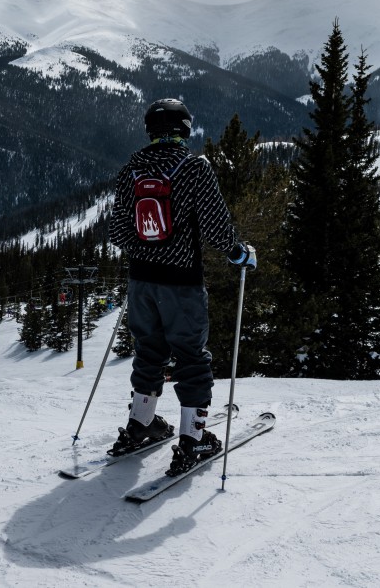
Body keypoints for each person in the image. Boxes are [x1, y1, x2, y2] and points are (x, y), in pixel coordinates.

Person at [109, 98, 256, 476]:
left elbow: (117, 232)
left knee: (148, 351)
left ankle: (140, 424)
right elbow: (215, 228)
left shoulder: (132, 169)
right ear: (185, 128)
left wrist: (148, 252)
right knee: (191, 358)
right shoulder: (193, 168)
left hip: (141, 281)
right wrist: (239, 253)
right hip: (182, 283)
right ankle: (195, 440)